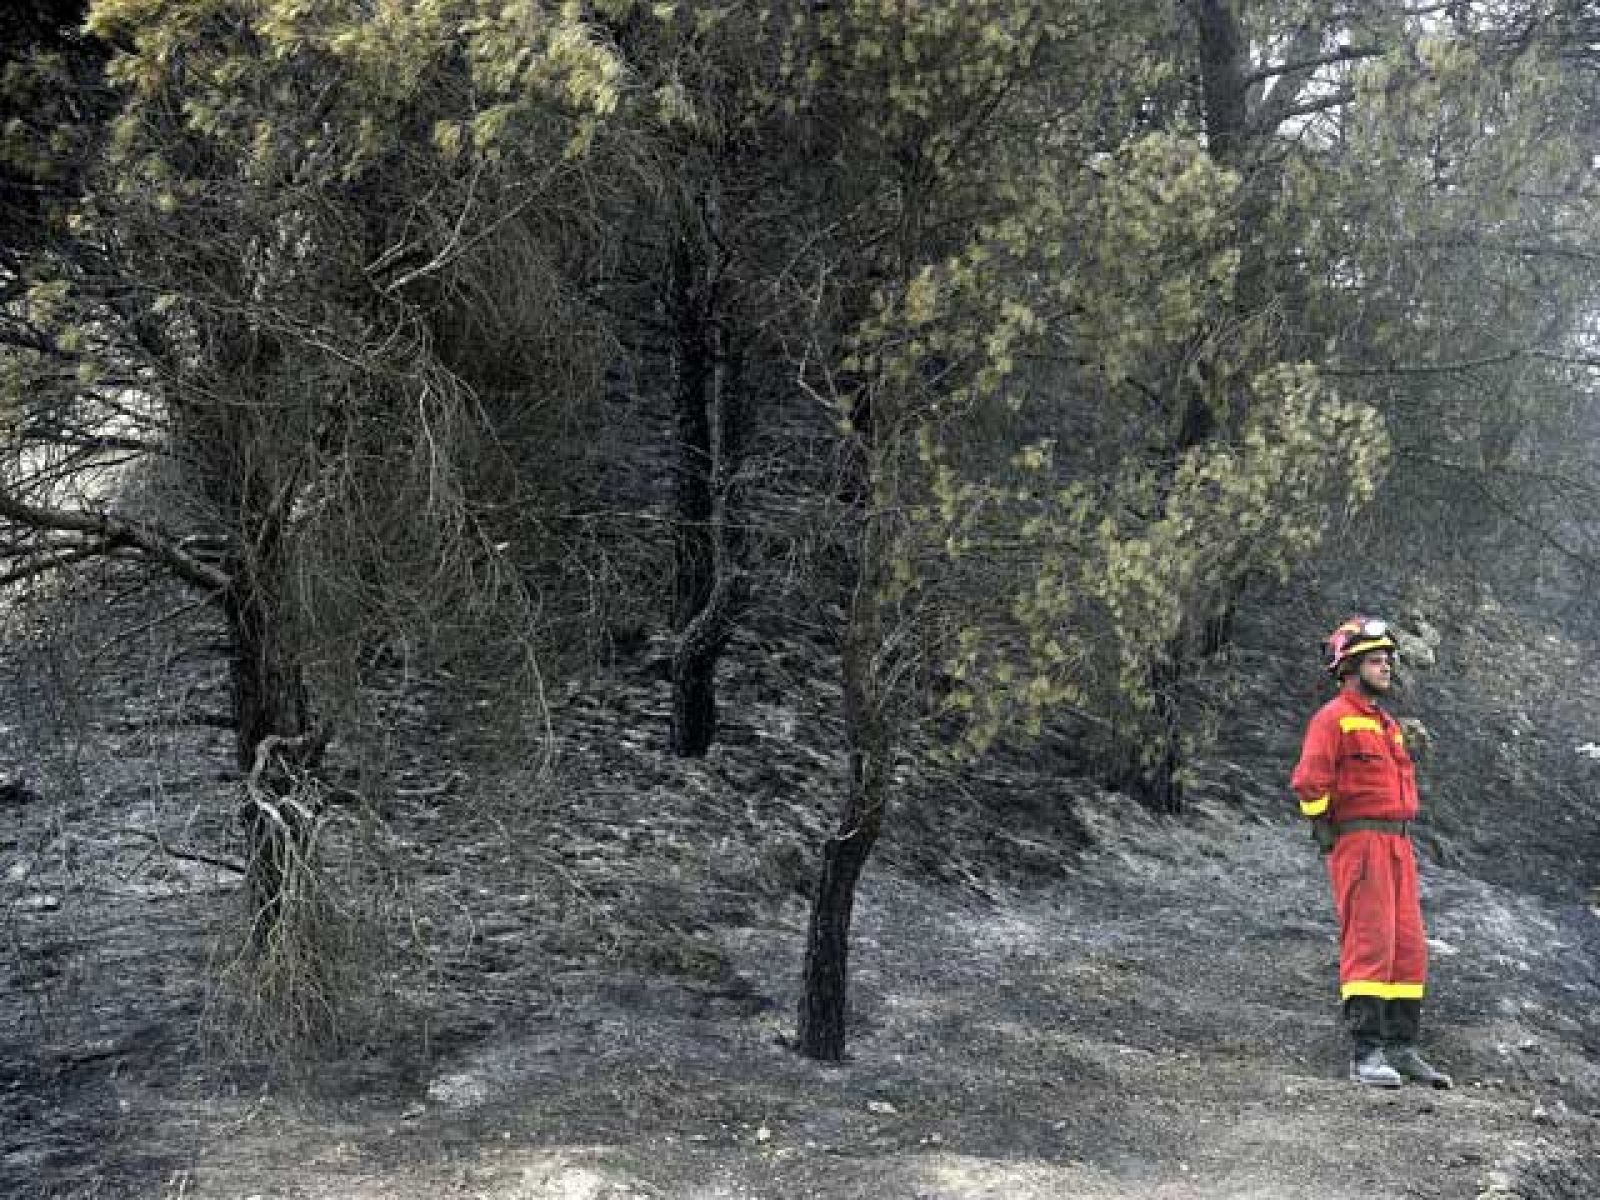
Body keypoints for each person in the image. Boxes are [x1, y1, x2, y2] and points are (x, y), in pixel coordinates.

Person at [1291, 615, 1453, 1089]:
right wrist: (1329, 830)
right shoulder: (1332, 719)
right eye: (1376, 661)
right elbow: (1308, 783)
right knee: (1370, 940)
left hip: (1397, 843)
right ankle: (1366, 1054)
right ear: (1349, 666)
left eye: (1388, 660)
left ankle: (1402, 1049)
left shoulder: (1386, 724)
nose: (1387, 668)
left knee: (1407, 945)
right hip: (1360, 843)